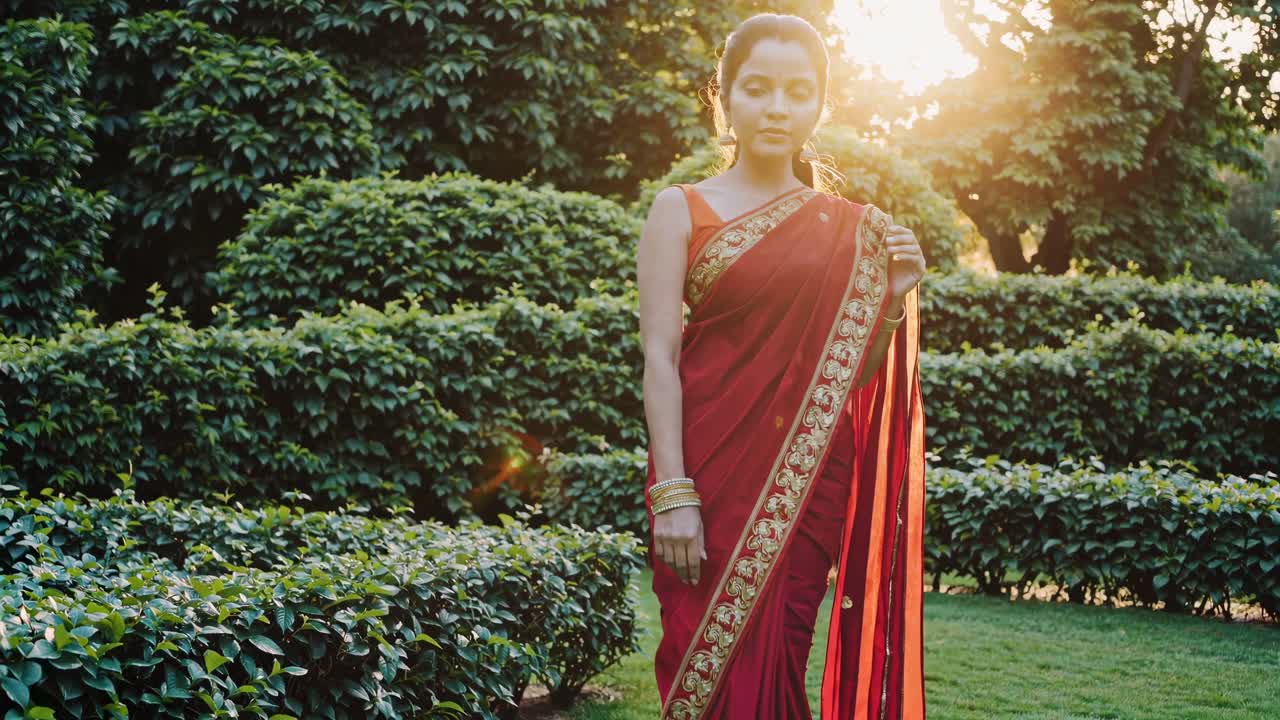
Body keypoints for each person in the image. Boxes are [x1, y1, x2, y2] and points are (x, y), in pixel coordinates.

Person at [635, 12, 928, 720]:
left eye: (798, 92)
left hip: (806, 483)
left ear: (819, 105)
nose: (776, 108)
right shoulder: (680, 210)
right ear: (725, 97)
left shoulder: (852, 230)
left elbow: (849, 380)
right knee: (705, 669)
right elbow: (659, 358)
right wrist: (673, 493)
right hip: (703, 473)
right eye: (757, 88)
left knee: (779, 665)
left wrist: (891, 302)